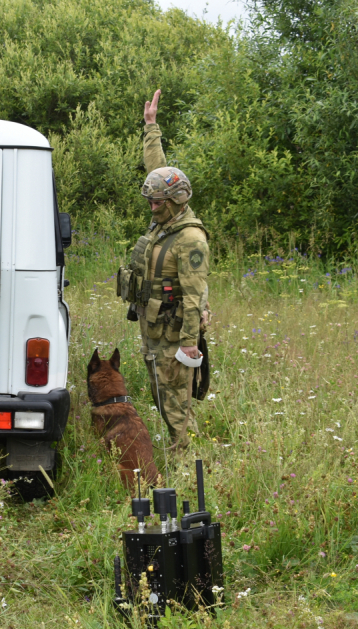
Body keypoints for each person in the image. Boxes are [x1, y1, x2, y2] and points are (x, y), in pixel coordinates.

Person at [124, 88, 211, 452]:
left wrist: (190, 345)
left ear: (176, 201)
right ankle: (183, 448)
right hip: (154, 326)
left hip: (174, 332)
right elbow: (157, 171)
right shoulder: (165, 221)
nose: (151, 206)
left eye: (157, 201)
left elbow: (194, 297)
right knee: (161, 392)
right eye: (150, 199)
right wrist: (151, 127)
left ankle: (186, 458)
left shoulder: (189, 238)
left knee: (175, 397)